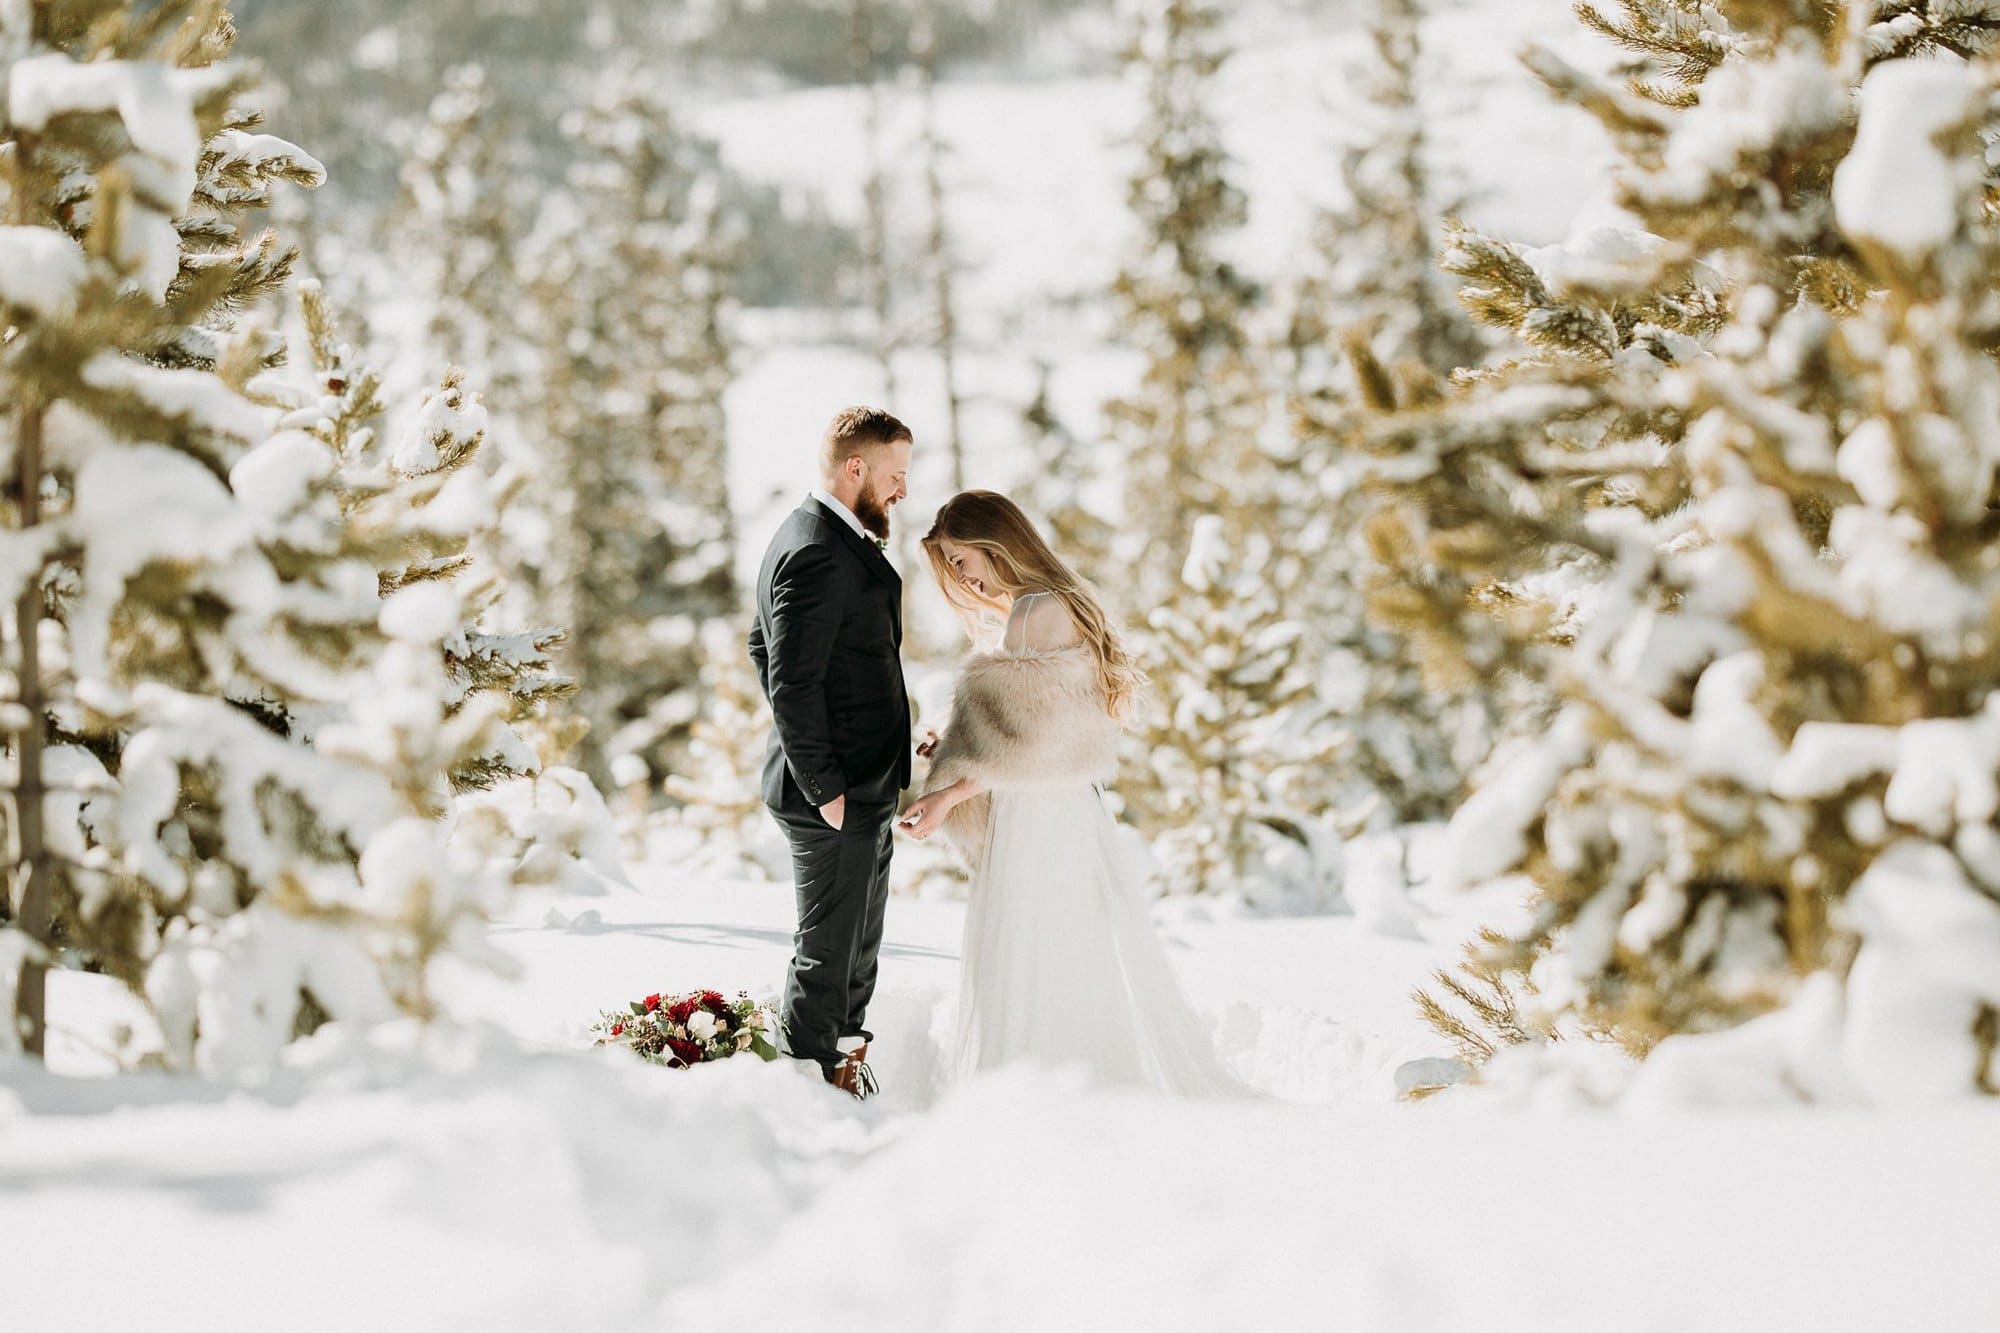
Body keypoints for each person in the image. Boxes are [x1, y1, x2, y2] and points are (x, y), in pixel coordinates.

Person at [898, 491, 1251, 1097]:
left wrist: (947, 796)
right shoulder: (1051, 603)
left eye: (961, 558)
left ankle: (1046, 1092)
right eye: (952, 565)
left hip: (1037, 818)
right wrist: (956, 745)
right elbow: (1023, 733)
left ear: (996, 541)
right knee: (1062, 954)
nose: (961, 575)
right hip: (1055, 811)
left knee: (1035, 957)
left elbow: (1027, 748)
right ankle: (1064, 1088)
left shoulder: (1037, 610)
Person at [748, 406, 914, 1099]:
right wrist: (823, 782)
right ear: (856, 469)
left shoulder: (829, 536)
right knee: (827, 959)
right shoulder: (815, 547)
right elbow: (789, 677)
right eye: (896, 474)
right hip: (833, 795)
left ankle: (843, 1071)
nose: (903, 489)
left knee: (856, 956)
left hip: (862, 789)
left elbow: (761, 646)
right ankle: (809, 1094)